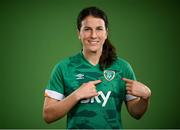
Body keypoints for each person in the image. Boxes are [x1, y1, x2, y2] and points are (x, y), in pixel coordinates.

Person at [43, 6, 151, 129]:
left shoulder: (123, 67)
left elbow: (136, 113)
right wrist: (77, 94)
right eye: (87, 29)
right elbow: (48, 115)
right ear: (79, 33)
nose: (93, 35)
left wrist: (145, 98)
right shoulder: (63, 67)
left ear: (106, 33)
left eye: (99, 29)